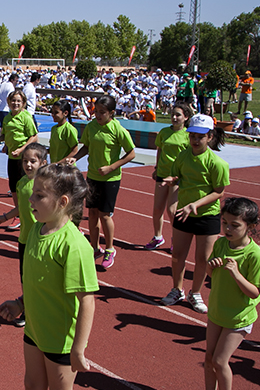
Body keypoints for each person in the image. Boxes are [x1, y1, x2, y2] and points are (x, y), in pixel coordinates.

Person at [0, 163, 96, 390]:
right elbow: (40, 283)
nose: (31, 201)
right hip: (36, 332)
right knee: (33, 388)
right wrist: (21, 304)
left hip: (60, 340)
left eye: (39, 196)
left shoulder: (75, 245)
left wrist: (79, 348)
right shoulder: (38, 231)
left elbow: (87, 301)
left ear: (63, 201)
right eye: (32, 194)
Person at [187, 198, 260, 390]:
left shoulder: (254, 255)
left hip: (238, 317)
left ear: (250, 227)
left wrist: (236, 273)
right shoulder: (222, 244)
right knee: (209, 357)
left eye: (235, 225)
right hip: (217, 311)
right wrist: (212, 269)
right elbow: (214, 275)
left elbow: (255, 292)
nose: (228, 229)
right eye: (225, 223)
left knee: (221, 361)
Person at [161, 114, 230, 313]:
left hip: (207, 216)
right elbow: (178, 175)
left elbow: (219, 191)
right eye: (192, 136)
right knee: (178, 255)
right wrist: (171, 180)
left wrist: (195, 204)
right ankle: (177, 289)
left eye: (200, 136)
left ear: (210, 137)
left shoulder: (217, 163)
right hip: (185, 213)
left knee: (202, 259)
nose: (195, 140)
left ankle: (196, 292)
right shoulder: (183, 156)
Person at [73, 94, 136, 269]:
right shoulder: (91, 127)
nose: (98, 115)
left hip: (110, 178)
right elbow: (86, 146)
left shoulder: (118, 130)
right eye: (96, 112)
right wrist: (75, 158)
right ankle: (94, 247)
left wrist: (112, 167)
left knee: (104, 215)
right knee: (92, 213)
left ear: (111, 113)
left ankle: (110, 248)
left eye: (102, 112)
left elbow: (131, 153)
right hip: (93, 176)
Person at [0, 143, 48, 326]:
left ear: (43, 163)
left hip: (42, 239)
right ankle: (27, 309)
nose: (28, 165)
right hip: (25, 239)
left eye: (33, 161)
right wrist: (6, 216)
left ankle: (41, 309)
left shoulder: (46, 185)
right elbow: (22, 206)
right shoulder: (22, 182)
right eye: (25, 161)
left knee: (41, 277)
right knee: (25, 277)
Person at [0, 89, 39, 230]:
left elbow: (34, 136)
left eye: (18, 101)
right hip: (12, 157)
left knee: (25, 187)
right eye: (13, 101)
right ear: (9, 102)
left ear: (23, 103)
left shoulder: (26, 117)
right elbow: (5, 135)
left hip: (23, 158)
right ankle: (19, 213)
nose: (15, 103)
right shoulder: (7, 118)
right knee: (14, 188)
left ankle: (28, 213)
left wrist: (21, 150)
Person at [146, 103, 192, 251]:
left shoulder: (187, 135)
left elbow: (189, 157)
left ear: (186, 117)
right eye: (173, 114)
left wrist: (182, 174)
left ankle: (176, 239)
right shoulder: (164, 132)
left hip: (177, 177)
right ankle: (158, 237)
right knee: (157, 209)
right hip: (162, 174)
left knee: (172, 210)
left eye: (178, 115)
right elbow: (160, 150)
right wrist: (157, 167)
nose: (174, 117)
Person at [0, 73, 17, 140]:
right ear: (12, 80)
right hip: (4, 108)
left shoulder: (3, 84)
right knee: (3, 125)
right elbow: (9, 97)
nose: (16, 82)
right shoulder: (11, 87)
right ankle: (0, 139)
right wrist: (10, 106)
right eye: (16, 81)